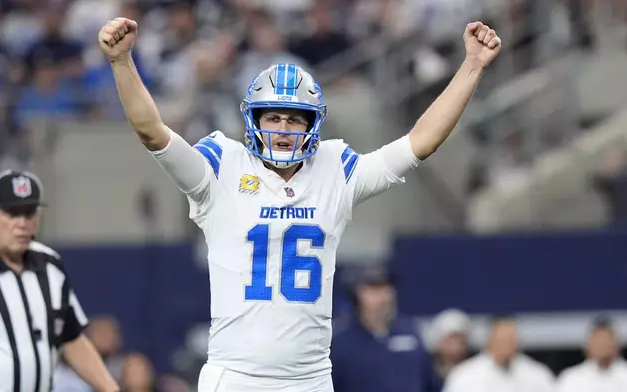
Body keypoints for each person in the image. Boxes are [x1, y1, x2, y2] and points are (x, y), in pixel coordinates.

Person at [98, 16, 502, 392]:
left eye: (295, 119)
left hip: (309, 379)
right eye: (274, 118)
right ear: (254, 120)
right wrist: (121, 63)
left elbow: (420, 143)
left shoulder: (334, 170)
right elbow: (154, 133)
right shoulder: (222, 167)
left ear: (313, 125)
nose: (284, 129)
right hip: (236, 376)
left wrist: (472, 66)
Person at [0, 170, 119, 392]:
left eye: (29, 213)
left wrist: (111, 389)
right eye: (12, 213)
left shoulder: (49, 265)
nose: (22, 223)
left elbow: (72, 338)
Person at [331, 265, 441, 392]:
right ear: (356, 294)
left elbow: (430, 381)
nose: (385, 296)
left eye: (388, 288)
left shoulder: (410, 332)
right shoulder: (341, 341)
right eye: (375, 289)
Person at [442, 316, 555, 392]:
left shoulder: (537, 374)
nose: (507, 346)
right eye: (502, 340)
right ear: (489, 341)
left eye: (511, 340)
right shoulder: (464, 376)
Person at [557, 317, 627, 391]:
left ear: (617, 345)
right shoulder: (571, 378)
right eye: (599, 341)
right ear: (588, 346)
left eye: (607, 340)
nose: (604, 345)